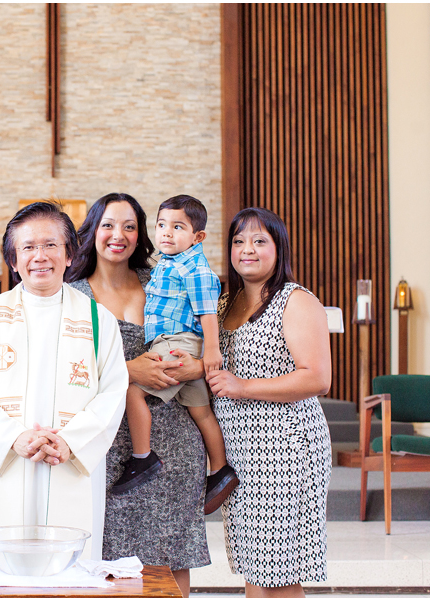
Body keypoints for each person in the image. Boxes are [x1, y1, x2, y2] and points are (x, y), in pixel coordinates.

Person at [0, 201, 128, 562]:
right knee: (6, 572)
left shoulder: (98, 319)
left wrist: (71, 442)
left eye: (50, 245)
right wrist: (12, 437)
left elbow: (113, 391)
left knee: (69, 572)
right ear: (13, 261)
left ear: (69, 255)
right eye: (28, 247)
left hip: (69, 463)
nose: (40, 256)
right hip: (7, 462)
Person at [67, 192, 209, 598]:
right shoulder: (72, 295)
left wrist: (197, 366)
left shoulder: (163, 278)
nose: (119, 235)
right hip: (110, 444)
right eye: (109, 224)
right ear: (93, 230)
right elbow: (61, 371)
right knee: (114, 562)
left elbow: (205, 338)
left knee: (174, 553)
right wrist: (127, 370)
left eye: (130, 226)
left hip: (176, 434)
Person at [205, 207, 332, 597]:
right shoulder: (226, 305)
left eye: (260, 241)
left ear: (279, 248)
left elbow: (317, 378)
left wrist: (243, 387)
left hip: (285, 450)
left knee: (277, 571)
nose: (248, 250)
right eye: (239, 241)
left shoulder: (294, 301)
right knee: (255, 568)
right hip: (242, 454)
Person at [112, 195, 239, 515]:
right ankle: (221, 470)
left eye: (177, 227)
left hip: (176, 343)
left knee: (132, 392)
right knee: (200, 411)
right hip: (181, 343)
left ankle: (142, 457)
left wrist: (212, 351)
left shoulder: (195, 269)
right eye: (161, 225)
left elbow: (208, 313)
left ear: (198, 237)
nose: (166, 233)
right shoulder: (170, 262)